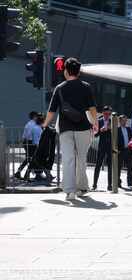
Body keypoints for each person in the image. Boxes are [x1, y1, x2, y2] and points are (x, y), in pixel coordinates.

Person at [42, 57, 98, 201]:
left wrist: (45, 124)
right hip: (84, 128)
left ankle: (70, 191)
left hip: (66, 129)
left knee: (68, 159)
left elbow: (51, 111)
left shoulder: (60, 88)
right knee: (81, 158)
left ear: (66, 71)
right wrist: (95, 123)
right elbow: (92, 108)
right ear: (78, 72)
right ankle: (81, 187)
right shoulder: (86, 87)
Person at [14, 111, 41, 179]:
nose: (38, 117)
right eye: (37, 116)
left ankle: (20, 172)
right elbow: (29, 135)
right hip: (30, 142)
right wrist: (35, 143)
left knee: (29, 159)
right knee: (32, 158)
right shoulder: (32, 124)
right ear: (34, 117)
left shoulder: (30, 123)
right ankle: (29, 174)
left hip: (28, 142)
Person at [92, 105, 113, 191]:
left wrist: (110, 129)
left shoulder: (112, 121)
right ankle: (94, 184)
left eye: (108, 114)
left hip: (110, 146)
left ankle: (109, 185)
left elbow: (116, 135)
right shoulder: (99, 121)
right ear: (103, 113)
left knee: (110, 166)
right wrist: (101, 130)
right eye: (105, 114)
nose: (107, 115)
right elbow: (95, 134)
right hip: (102, 146)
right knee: (98, 165)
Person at [117, 115, 132, 188]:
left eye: (125, 120)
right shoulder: (117, 130)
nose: (124, 122)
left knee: (131, 167)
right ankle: (118, 182)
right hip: (121, 150)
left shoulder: (129, 129)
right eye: (123, 121)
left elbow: (131, 138)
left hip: (128, 150)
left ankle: (130, 182)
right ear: (120, 121)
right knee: (118, 168)